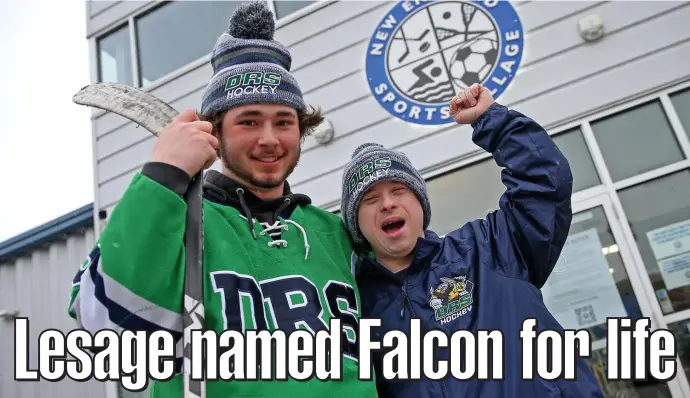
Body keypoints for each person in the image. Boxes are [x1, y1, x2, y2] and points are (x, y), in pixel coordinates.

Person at [67, 3, 378, 398]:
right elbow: (103, 327)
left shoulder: (336, 233)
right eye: (249, 121)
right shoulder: (174, 223)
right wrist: (163, 174)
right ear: (215, 130)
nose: (269, 138)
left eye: (284, 121)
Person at [340, 83, 605, 397]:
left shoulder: (490, 248)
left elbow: (545, 184)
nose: (387, 204)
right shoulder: (355, 308)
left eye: (399, 191)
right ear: (357, 226)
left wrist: (493, 121)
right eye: (369, 200)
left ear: (420, 204)